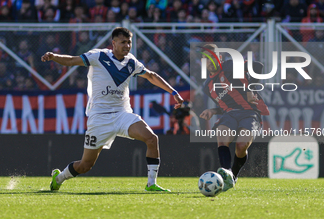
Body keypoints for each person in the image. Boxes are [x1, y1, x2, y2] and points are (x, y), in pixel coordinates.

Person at [42, 27, 184, 192]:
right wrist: (54, 57)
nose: (127, 45)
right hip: (99, 117)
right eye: (123, 42)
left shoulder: (132, 62)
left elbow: (151, 76)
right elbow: (72, 60)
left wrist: (174, 92)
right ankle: (58, 178)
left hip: (122, 114)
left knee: (152, 139)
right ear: (114, 43)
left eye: (129, 42)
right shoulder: (99, 56)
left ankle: (151, 184)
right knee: (85, 165)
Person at [198, 44, 269, 192]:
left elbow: (258, 66)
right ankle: (226, 171)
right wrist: (213, 110)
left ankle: (233, 176)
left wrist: (250, 89)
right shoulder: (207, 86)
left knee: (241, 146)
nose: (208, 62)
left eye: (211, 58)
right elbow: (224, 105)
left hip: (250, 112)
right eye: (205, 59)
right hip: (229, 114)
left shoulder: (230, 65)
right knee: (222, 137)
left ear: (220, 58)